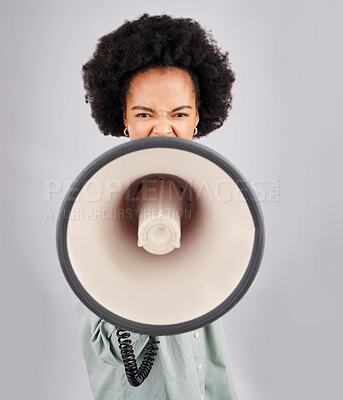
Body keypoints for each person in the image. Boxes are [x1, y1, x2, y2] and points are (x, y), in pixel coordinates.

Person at [71, 13, 237, 400]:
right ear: (124, 119)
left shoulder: (210, 202)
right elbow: (108, 350)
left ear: (197, 118)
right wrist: (149, 269)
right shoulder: (95, 216)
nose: (163, 129)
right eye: (145, 114)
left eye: (179, 114)